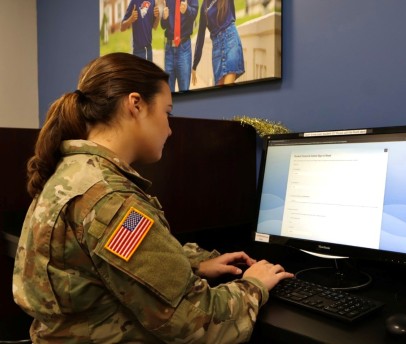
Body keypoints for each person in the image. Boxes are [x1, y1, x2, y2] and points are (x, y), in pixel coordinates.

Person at [12, 52, 293, 343]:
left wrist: (193, 263)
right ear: (135, 104)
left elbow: (111, 259)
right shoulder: (112, 201)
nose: (170, 129)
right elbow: (196, 324)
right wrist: (254, 285)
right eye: (167, 113)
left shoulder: (75, 173)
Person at [192, 0, 245, 86]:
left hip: (230, 38)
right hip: (216, 46)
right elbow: (200, 36)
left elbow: (233, 14)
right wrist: (195, 64)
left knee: (228, 84)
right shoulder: (204, 6)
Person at [161, 0, 199, 92]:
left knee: (184, 91)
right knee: (168, 93)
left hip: (184, 49)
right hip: (169, 49)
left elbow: (194, 14)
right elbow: (163, 25)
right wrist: (164, 18)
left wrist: (187, 9)